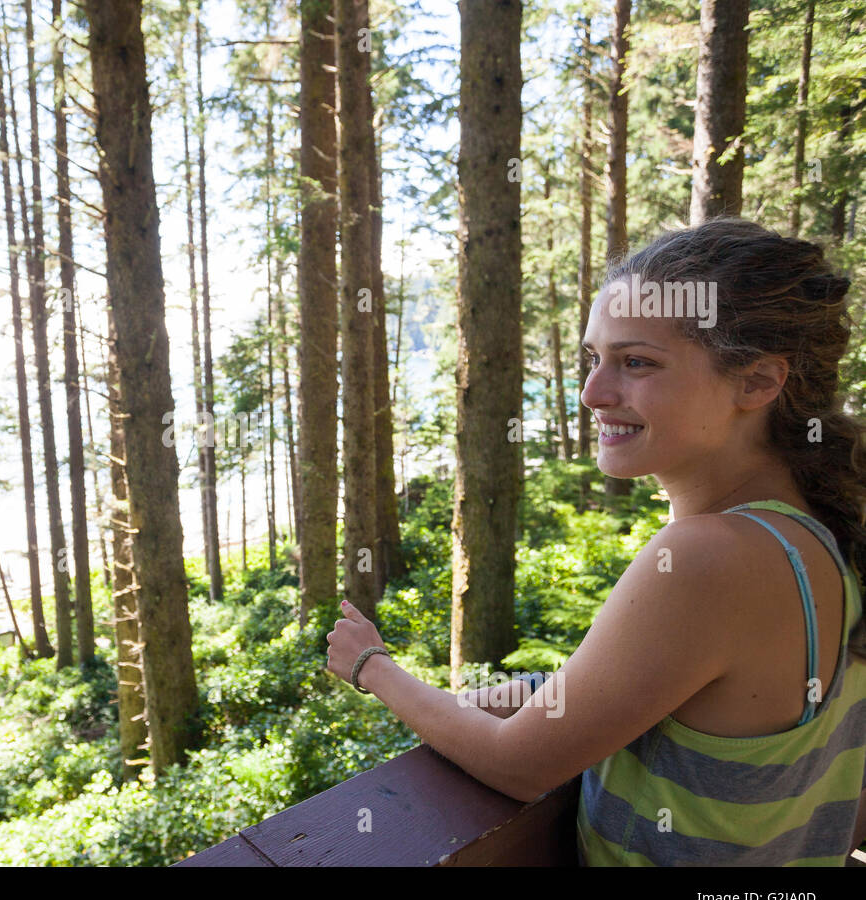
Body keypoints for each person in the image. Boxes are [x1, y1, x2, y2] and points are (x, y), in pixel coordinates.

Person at [325, 216, 866, 865]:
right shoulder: (819, 533)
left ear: (755, 382)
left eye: (636, 361)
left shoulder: (710, 559)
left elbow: (518, 767)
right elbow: (644, 690)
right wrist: (475, 704)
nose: (592, 393)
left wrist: (372, 666)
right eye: (594, 359)